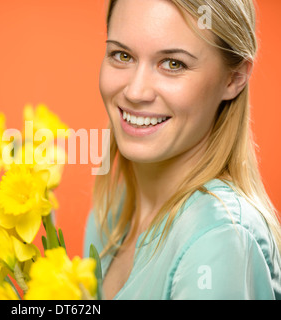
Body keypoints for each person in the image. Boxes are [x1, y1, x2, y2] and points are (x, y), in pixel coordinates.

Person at [83, 0, 281, 300]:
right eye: (122, 55)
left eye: (173, 64)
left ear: (234, 78)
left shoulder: (220, 237)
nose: (135, 92)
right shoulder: (109, 215)